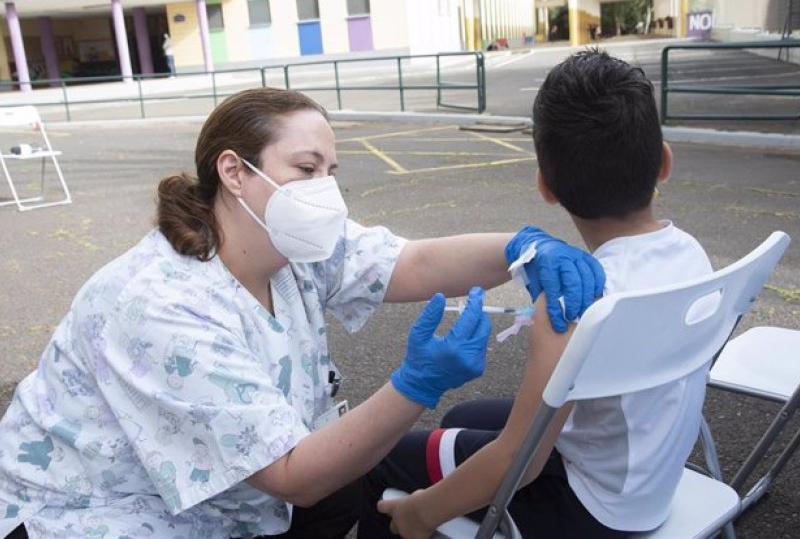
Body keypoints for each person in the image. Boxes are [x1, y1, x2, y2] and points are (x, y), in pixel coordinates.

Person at [0, 87, 604, 538]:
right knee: (334, 485)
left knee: (353, 484)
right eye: (306, 169)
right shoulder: (161, 305)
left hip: (233, 494)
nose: (325, 192)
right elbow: (293, 475)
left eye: (329, 172)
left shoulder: (291, 245)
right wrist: (418, 383)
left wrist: (519, 248)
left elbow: (411, 262)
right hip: (101, 513)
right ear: (234, 171)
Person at [364, 50, 714, 538]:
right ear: (663, 163)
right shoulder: (692, 254)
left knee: (381, 464)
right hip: (649, 474)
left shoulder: (573, 304)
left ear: (545, 186)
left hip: (589, 509)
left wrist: (420, 513)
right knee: (465, 415)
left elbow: (519, 462)